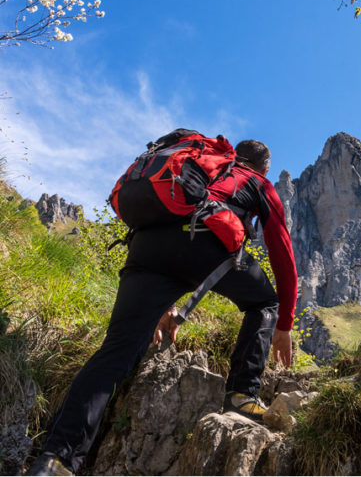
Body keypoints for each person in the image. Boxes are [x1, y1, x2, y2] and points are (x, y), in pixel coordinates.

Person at [27, 139, 298, 476]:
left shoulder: (199, 165)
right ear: (264, 167)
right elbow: (282, 255)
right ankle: (243, 393)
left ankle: (56, 459)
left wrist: (165, 304)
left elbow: (179, 224)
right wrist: (284, 323)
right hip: (204, 242)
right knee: (265, 301)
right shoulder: (258, 182)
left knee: (116, 352)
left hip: (146, 246)